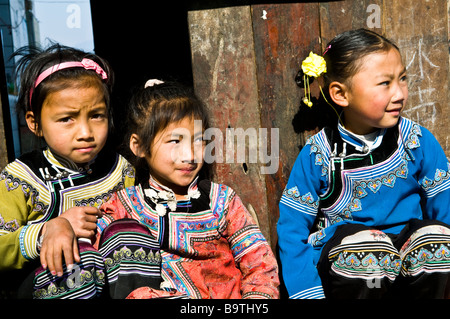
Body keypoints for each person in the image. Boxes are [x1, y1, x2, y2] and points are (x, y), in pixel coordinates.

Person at [277, 29, 450, 299]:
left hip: (409, 262)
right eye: (385, 83)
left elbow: (445, 207)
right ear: (340, 94)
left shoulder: (417, 141)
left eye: (402, 78)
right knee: (369, 250)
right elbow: (292, 229)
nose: (399, 93)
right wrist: (306, 293)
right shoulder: (317, 155)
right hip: (353, 268)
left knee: (436, 240)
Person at [93, 79, 280, 299]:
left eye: (199, 141)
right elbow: (91, 261)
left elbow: (260, 264)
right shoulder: (123, 207)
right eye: (175, 141)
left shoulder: (222, 201)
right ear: (139, 146)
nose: (190, 155)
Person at [0, 44, 138, 298]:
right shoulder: (20, 178)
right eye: (67, 119)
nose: (85, 133)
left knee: (131, 236)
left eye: (97, 115)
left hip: (110, 282)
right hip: (50, 283)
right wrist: (48, 229)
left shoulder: (120, 169)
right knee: (76, 261)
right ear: (35, 123)